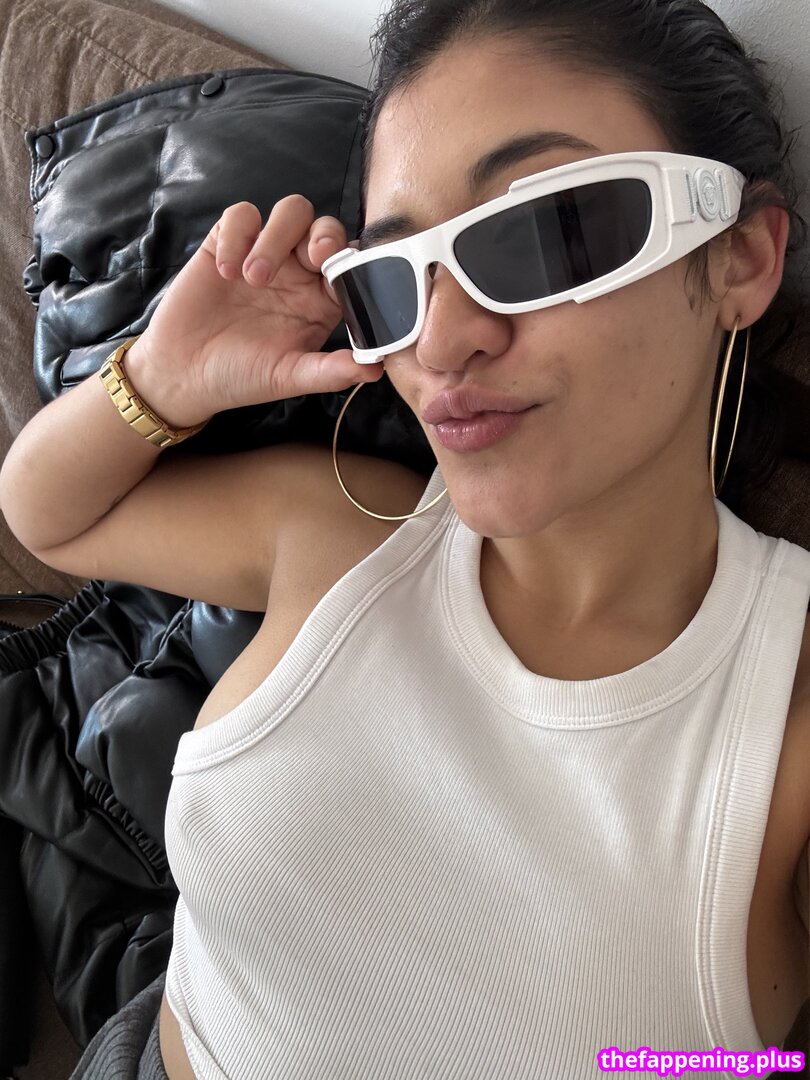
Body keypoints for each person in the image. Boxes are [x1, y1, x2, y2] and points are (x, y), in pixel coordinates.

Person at [1, 0, 809, 1076]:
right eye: (392, 278)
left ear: (741, 258)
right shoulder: (347, 538)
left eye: (548, 233)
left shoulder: (782, 725)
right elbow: (54, 517)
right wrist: (160, 378)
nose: (441, 340)